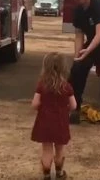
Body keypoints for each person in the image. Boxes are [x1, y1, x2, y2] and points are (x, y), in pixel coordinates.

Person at [31, 52, 77, 180]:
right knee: (59, 148)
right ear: (64, 68)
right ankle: (59, 173)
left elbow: (35, 104)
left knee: (46, 149)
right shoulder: (67, 87)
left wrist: (42, 108)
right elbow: (73, 105)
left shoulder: (42, 85)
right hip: (61, 122)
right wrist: (65, 109)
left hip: (44, 121)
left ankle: (46, 175)